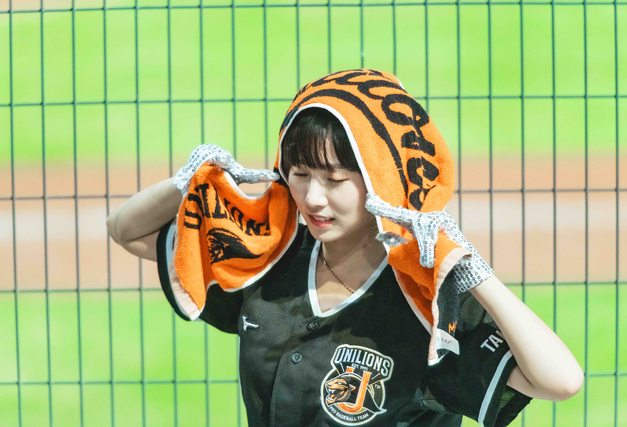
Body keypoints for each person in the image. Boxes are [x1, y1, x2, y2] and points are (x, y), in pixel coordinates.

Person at [107, 69, 583, 426]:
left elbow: (560, 381)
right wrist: (189, 181)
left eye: (335, 180)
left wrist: (470, 269)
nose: (313, 198)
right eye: (299, 174)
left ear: (381, 179)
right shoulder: (270, 255)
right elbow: (127, 231)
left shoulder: (426, 299)